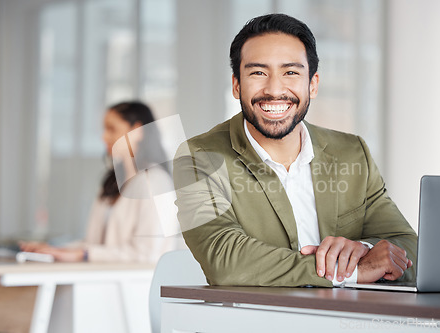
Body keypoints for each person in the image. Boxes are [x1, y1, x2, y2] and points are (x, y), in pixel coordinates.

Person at [173, 14, 417, 287]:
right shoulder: (198, 158)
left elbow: (410, 247)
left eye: (290, 72)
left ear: (312, 84)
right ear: (236, 85)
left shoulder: (352, 152)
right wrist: (352, 271)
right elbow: (224, 260)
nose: (275, 89)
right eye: (258, 73)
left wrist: (361, 249)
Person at [20, 101, 180, 263]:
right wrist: (54, 249)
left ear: (137, 131)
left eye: (112, 129)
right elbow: (95, 245)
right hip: (101, 280)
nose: (104, 137)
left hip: (133, 285)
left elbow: (148, 254)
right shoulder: (112, 183)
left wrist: (83, 254)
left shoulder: (156, 182)